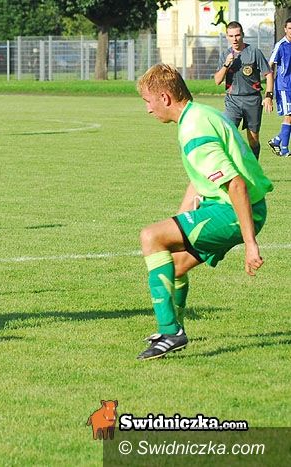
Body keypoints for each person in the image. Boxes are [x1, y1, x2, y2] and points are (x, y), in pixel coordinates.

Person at [136, 64, 273, 360]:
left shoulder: (193, 129)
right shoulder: (201, 114)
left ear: (165, 98)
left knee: (150, 236)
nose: (148, 109)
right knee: (175, 265)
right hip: (237, 206)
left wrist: (250, 243)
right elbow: (201, 177)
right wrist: (180, 218)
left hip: (235, 210)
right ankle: (174, 328)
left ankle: (170, 332)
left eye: (148, 101)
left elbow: (235, 184)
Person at [213, 21, 273, 159]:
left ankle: (253, 167)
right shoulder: (225, 55)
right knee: (227, 133)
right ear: (227, 37)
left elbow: (268, 74)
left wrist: (269, 96)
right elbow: (217, 80)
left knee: (253, 139)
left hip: (252, 100)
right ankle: (232, 167)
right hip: (233, 100)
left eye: (237, 35)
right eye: (231, 36)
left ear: (243, 35)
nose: (234, 39)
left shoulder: (254, 52)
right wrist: (226, 65)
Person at [268, 17, 291, 157]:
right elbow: (270, 64)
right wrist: (269, 84)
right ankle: (284, 149)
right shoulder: (281, 45)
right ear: (285, 29)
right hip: (284, 87)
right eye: (290, 28)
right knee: (289, 116)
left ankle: (277, 141)